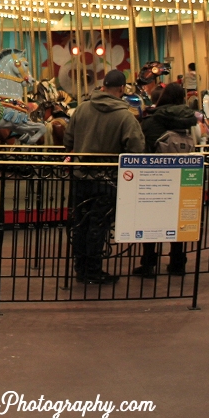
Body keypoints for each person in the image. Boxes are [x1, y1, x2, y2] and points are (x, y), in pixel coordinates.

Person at [63, 68, 145, 284]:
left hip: (80, 177)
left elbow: (68, 140)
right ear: (121, 89)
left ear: (102, 86)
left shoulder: (81, 109)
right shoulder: (125, 116)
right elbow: (136, 148)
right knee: (98, 225)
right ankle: (93, 269)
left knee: (80, 224)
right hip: (107, 180)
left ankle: (81, 267)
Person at [135, 82, 197, 277]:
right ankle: (178, 262)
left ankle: (149, 263)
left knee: (152, 220)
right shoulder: (190, 120)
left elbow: (144, 147)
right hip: (183, 177)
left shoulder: (153, 119)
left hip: (156, 177)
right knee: (178, 220)